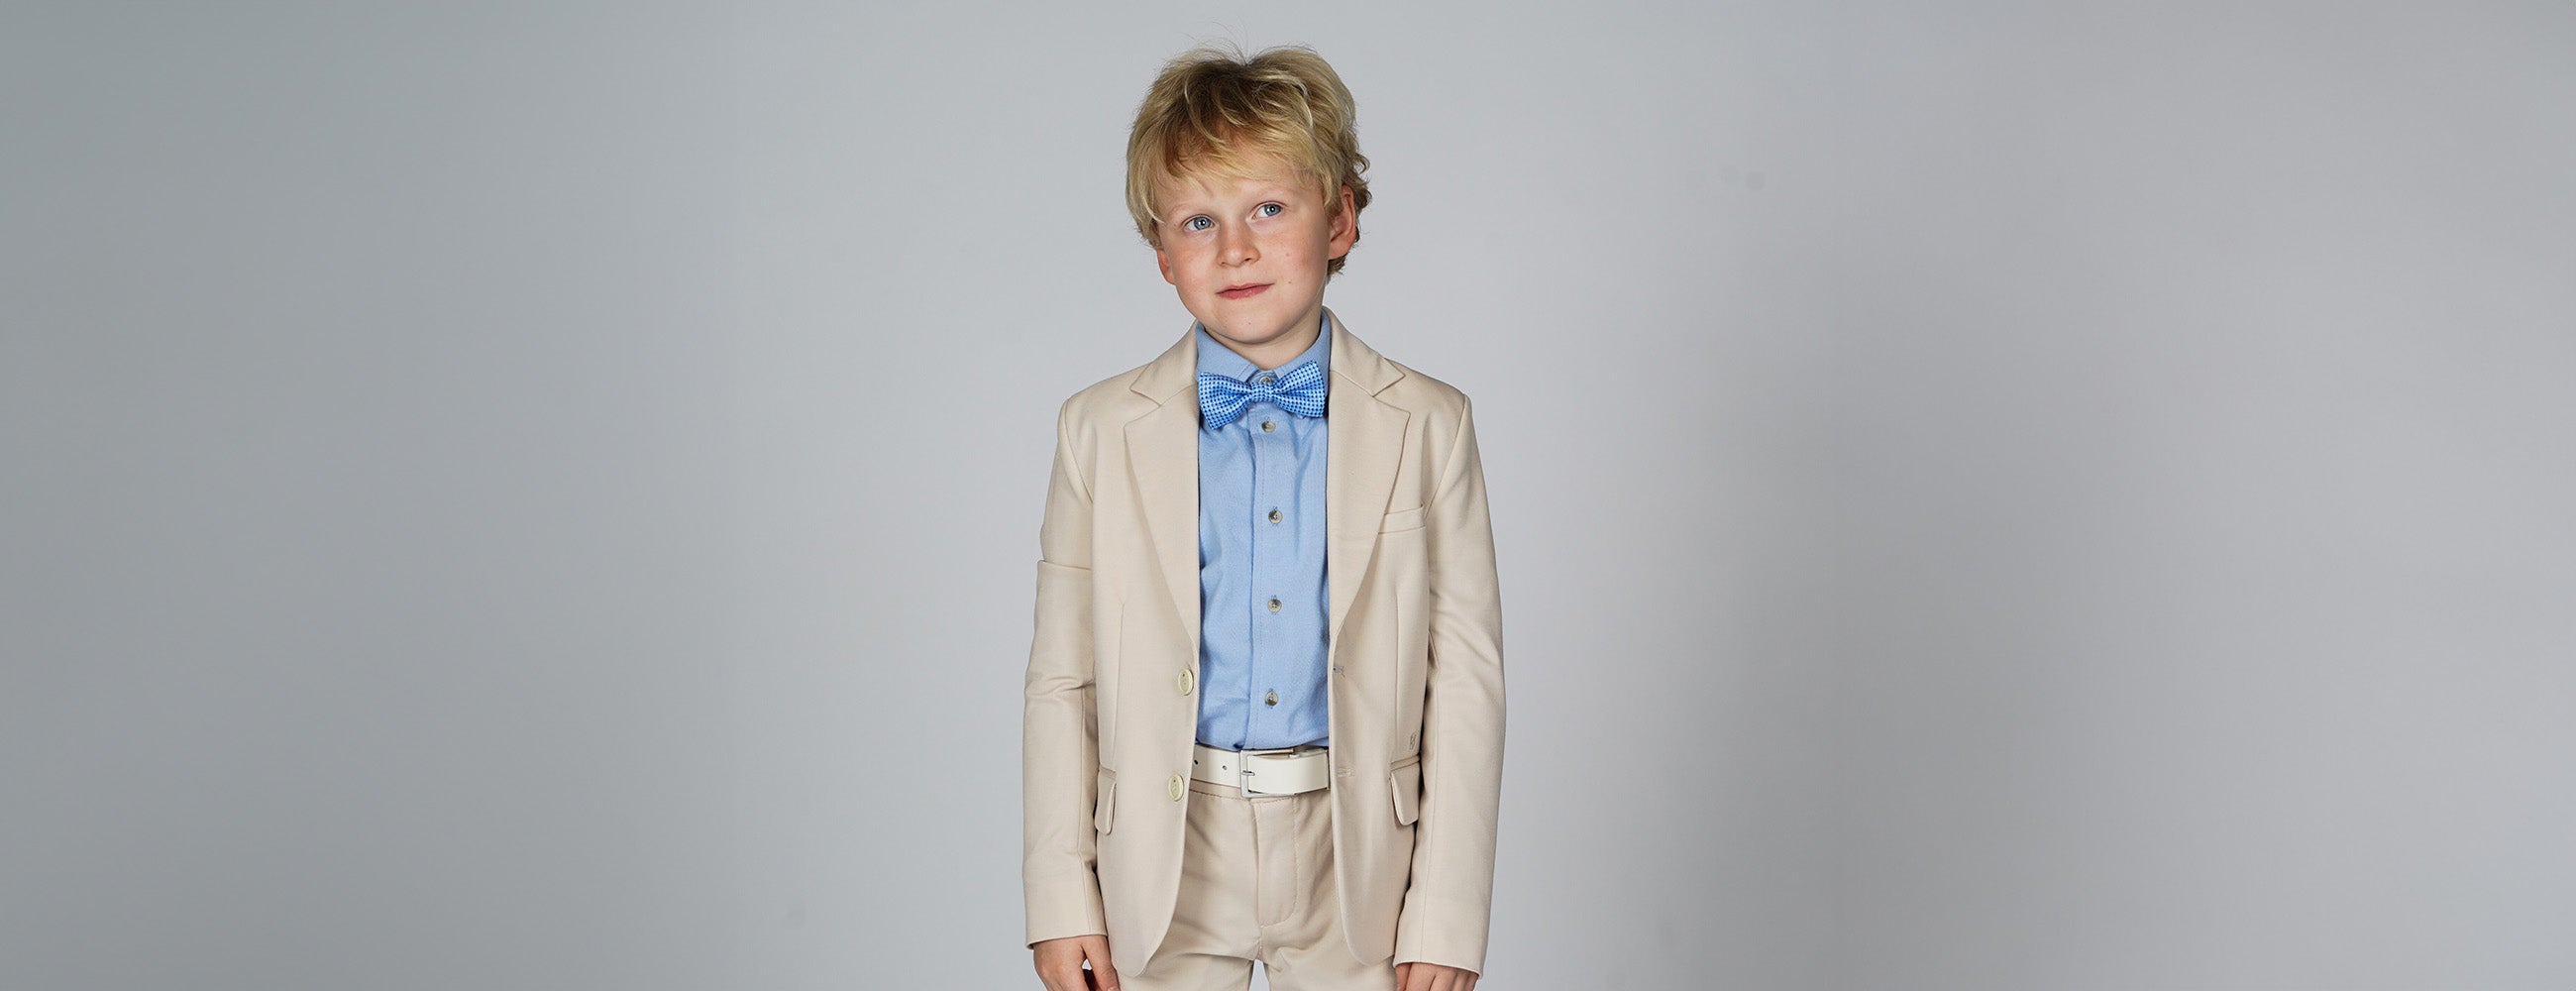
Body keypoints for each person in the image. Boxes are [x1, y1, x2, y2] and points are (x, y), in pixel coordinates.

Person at [1023, 43, 1506, 991]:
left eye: (1270, 209)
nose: (1234, 249)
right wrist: (1060, 896)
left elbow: (1466, 681)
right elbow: (1061, 679)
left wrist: (1448, 914)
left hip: (1358, 853)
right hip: (1163, 851)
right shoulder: (1099, 429)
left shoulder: (1430, 423)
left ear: (1341, 221)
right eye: (1198, 221)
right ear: (1163, 256)